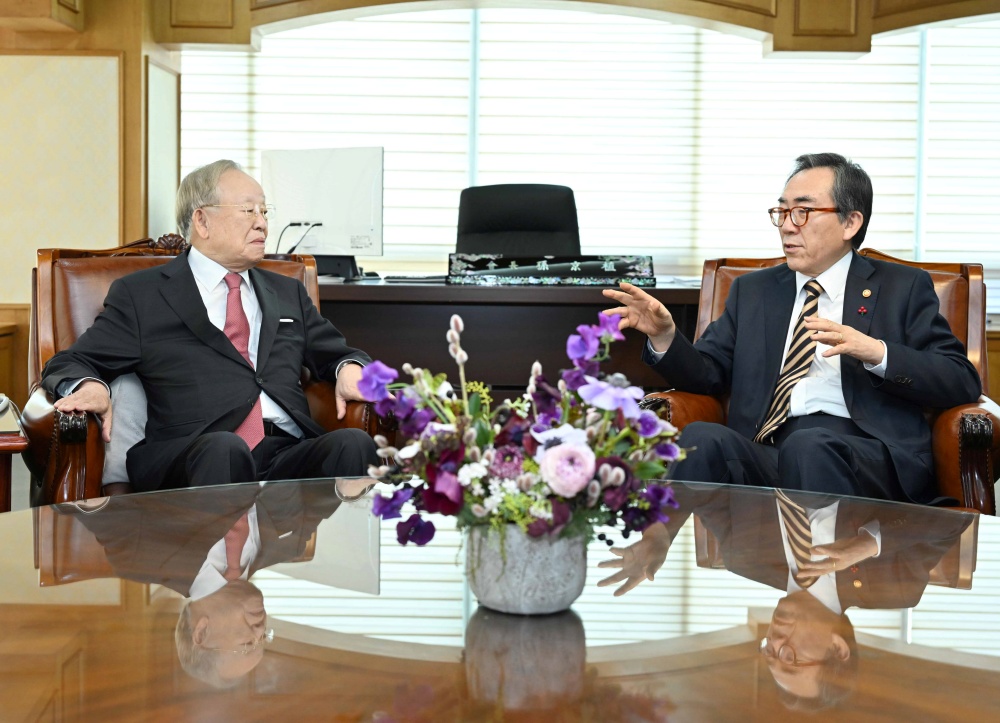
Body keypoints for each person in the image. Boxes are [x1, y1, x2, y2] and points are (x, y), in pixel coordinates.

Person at [602, 152, 982, 503]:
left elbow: (960, 379)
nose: (786, 227)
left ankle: (823, 575)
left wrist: (876, 352)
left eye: (802, 212)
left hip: (863, 454)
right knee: (703, 438)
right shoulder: (755, 291)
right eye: (781, 212)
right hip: (769, 448)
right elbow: (707, 373)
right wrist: (664, 336)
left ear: (850, 222)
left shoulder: (902, 287)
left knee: (810, 445)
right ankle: (666, 557)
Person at [41, 159, 378, 490]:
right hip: (193, 454)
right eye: (248, 211)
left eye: (264, 211)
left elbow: (336, 353)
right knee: (224, 449)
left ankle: (327, 546)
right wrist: (92, 386)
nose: (262, 223)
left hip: (285, 452)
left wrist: (349, 367)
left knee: (354, 444)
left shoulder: (286, 291)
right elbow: (71, 361)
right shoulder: (143, 294)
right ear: (202, 221)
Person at [597, 483, 973, 708]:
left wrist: (659, 531)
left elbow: (707, 481)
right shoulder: (896, 587)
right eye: (791, 656)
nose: (776, 640)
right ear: (838, 649)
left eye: (770, 653)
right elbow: (954, 517)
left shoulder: (744, 558)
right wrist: (868, 543)